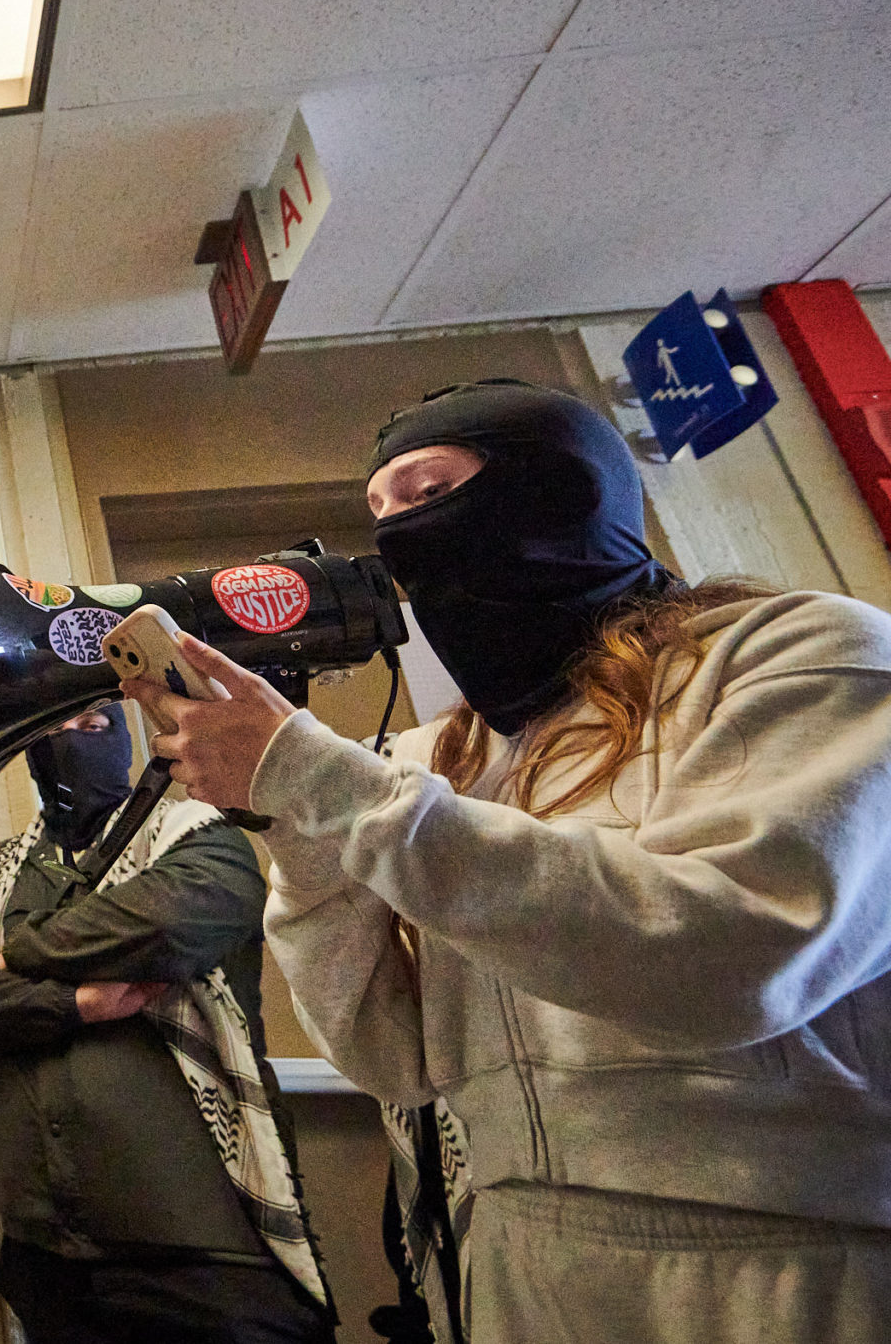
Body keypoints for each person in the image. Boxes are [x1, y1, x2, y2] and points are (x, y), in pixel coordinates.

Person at [130, 379, 891, 1343]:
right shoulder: (435, 758)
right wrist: (293, 825)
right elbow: (394, 1059)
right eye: (378, 508)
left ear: (562, 489)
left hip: (784, 1264)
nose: (399, 532)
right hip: (513, 1263)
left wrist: (321, 779)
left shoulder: (800, 655)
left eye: (428, 487)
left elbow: (732, 955)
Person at [0, 708, 334, 1343]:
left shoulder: (199, 834)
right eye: (55, 725)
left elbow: (172, 923)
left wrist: (18, 954)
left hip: (207, 1250)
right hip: (44, 1250)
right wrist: (76, 1004)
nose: (73, 740)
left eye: (94, 722)